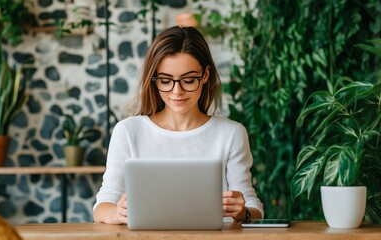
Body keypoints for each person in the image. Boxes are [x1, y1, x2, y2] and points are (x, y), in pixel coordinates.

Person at [93, 26, 264, 224]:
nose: (177, 92)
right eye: (165, 81)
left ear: (206, 75)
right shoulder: (128, 131)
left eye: (189, 80)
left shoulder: (231, 133)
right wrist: (116, 214)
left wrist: (244, 212)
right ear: (154, 79)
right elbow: (102, 206)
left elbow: (253, 206)